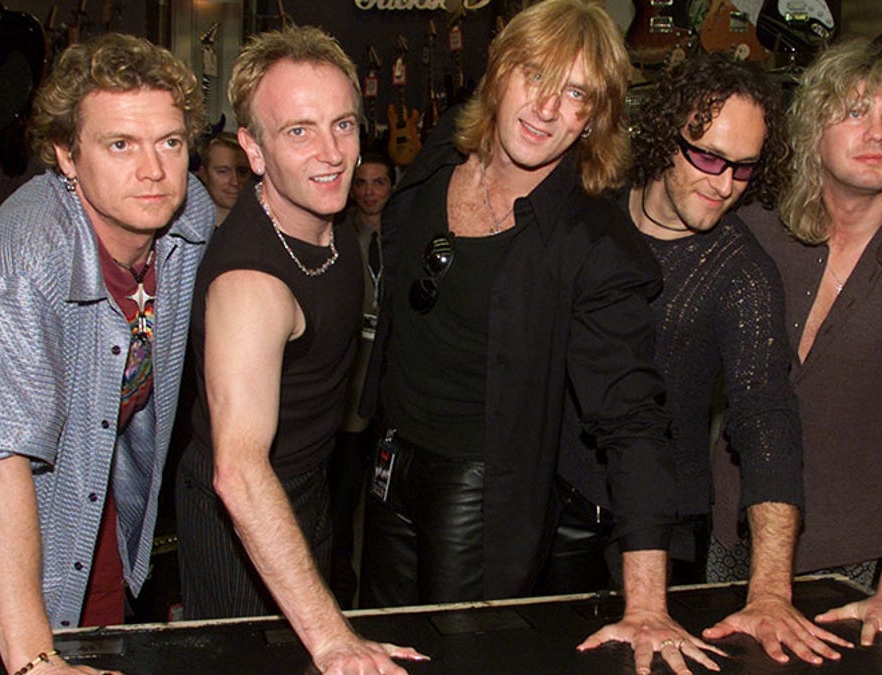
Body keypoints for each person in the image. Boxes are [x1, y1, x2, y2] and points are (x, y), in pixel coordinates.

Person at [0, 32, 214, 673]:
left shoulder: (188, 216)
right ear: (66, 155)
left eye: (170, 142)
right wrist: (35, 662)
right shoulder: (23, 265)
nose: (153, 170)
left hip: (92, 500)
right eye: (120, 144)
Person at [359, 0, 675, 640]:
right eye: (535, 74)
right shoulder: (444, 147)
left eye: (576, 94)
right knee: (377, 646)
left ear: (594, 119)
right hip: (389, 457)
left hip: (480, 490)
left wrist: (645, 607)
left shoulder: (592, 241)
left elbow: (634, 422)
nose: (546, 109)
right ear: (499, 73)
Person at [561, 53, 849, 670]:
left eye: (744, 168)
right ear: (666, 138)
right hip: (552, 505)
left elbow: (766, 415)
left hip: (667, 530)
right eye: (708, 157)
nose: (724, 183)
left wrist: (770, 589)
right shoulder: (593, 208)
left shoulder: (741, 272)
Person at [173, 27, 425, 673]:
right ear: (253, 149)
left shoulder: (330, 218)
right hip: (239, 510)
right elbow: (239, 470)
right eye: (298, 131)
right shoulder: (251, 286)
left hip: (307, 487)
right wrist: (333, 634)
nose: (332, 153)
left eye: (342, 124)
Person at [710, 38, 882, 654]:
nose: (877, 132)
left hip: (847, 560)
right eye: (854, 111)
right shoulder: (752, 227)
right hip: (730, 539)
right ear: (811, 128)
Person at [327, 153, 394, 608]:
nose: (370, 191)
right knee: (344, 486)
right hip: (351, 370)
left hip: (392, 368)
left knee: (385, 489)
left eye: (379, 182)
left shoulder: (409, 231)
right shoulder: (338, 235)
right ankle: (337, 585)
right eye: (362, 183)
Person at [196, 131, 251, 226]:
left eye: (242, 171)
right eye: (223, 171)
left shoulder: (263, 227)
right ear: (204, 174)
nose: (235, 182)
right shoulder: (189, 231)